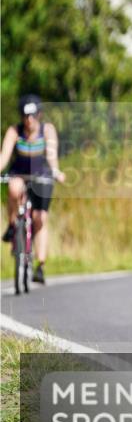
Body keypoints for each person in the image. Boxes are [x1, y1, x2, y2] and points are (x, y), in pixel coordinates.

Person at [0, 95, 66, 284]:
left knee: (40, 218)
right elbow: (4, 156)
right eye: (25, 116)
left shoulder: (47, 130)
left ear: (39, 115)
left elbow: (52, 155)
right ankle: (13, 226)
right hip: (19, 173)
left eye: (32, 116)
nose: (29, 121)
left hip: (42, 175)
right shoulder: (15, 131)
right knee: (13, 189)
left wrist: (56, 171)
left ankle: (40, 265)